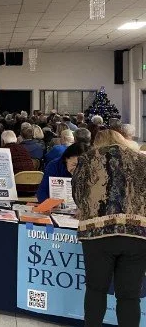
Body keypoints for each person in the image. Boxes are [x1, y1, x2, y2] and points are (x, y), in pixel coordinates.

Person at [72, 129, 146, 327]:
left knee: (96, 290)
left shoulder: (88, 158)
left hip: (97, 234)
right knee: (130, 297)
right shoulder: (141, 160)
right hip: (137, 234)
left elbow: (78, 193)